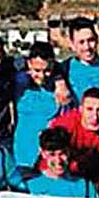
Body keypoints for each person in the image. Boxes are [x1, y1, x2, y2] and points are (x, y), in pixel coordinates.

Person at [11, 41, 70, 169]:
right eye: (37, 70)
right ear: (29, 64)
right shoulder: (19, 82)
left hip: (49, 155)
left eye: (47, 70)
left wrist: (59, 79)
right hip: (22, 153)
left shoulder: (60, 91)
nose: (42, 76)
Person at [49, 86, 99, 182]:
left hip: (98, 173)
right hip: (65, 172)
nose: (95, 117)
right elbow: (50, 157)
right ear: (81, 109)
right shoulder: (65, 124)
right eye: (89, 109)